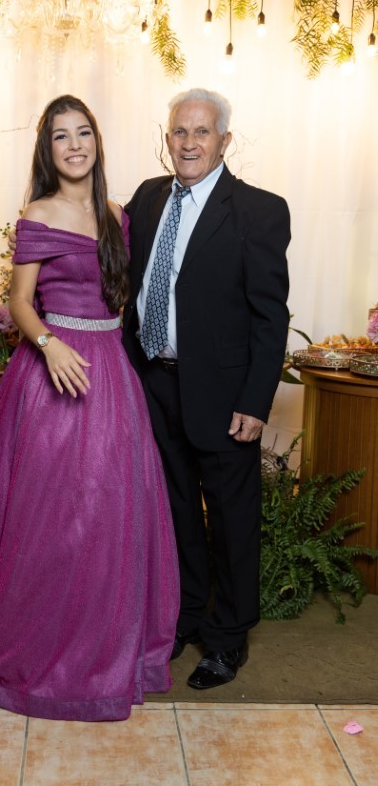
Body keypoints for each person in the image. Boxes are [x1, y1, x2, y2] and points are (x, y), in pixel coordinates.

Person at [0, 95, 180, 722]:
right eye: (61, 136)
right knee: (51, 517)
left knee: (109, 514)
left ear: (97, 142)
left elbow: (125, 296)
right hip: (55, 368)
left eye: (83, 133)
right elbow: (19, 301)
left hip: (111, 371)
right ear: (47, 149)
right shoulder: (39, 212)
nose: (74, 146)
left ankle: (105, 642)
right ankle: (40, 644)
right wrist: (51, 345)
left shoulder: (116, 214)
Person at [122, 87, 290, 690]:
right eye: (179, 131)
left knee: (231, 520)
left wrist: (255, 401)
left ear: (224, 141)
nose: (189, 143)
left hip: (224, 397)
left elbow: (270, 316)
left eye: (201, 132)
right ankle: (188, 614)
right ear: (166, 138)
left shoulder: (259, 211)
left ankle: (227, 638)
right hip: (155, 384)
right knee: (175, 515)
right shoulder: (146, 198)